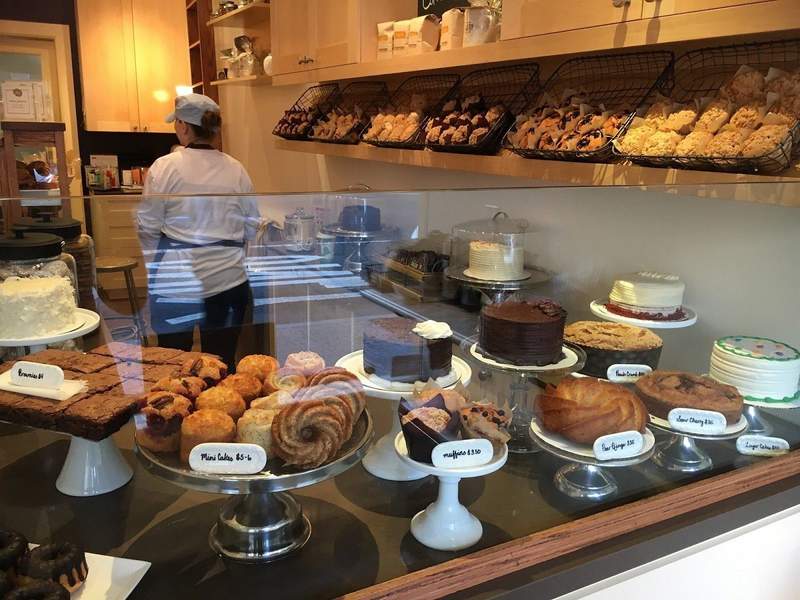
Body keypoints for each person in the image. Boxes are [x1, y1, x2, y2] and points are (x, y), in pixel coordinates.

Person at [137, 93, 260, 367]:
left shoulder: (165, 167)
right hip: (228, 281)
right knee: (221, 363)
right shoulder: (236, 169)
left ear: (183, 126)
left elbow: (148, 226)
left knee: (172, 363)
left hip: (177, 281)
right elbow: (252, 225)